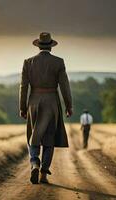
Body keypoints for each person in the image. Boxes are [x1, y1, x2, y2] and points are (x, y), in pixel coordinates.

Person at [19, 32, 73, 184]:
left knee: (33, 136)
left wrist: (22, 107)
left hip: (33, 102)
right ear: (51, 46)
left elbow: (23, 87)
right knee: (49, 138)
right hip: (51, 102)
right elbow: (64, 86)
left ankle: (34, 163)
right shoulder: (59, 62)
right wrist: (69, 105)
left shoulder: (28, 62)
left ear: (38, 46)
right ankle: (43, 173)